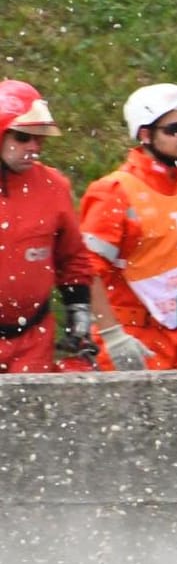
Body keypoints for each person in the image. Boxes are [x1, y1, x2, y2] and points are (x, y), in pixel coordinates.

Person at [80, 83, 177, 371]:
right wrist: (112, 335)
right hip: (134, 333)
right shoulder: (114, 191)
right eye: (175, 130)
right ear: (145, 135)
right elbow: (86, 271)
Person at [0, 80, 94, 373]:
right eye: (22, 137)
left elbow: (73, 258)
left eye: (38, 139)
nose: (33, 147)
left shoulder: (54, 186)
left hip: (32, 337)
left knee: (30, 417)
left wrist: (79, 314)